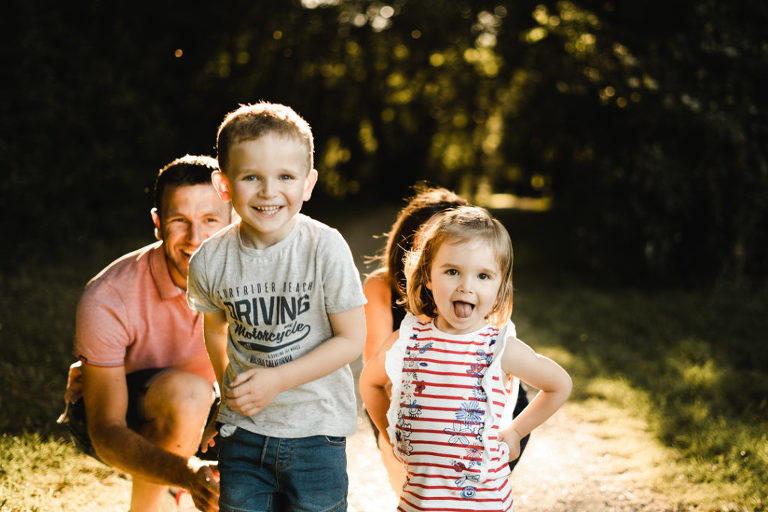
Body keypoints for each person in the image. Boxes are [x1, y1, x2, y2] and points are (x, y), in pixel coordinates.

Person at [186, 102, 366, 512]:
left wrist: (277, 380)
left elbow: (352, 339)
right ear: (224, 185)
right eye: (251, 177)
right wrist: (227, 398)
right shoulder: (211, 260)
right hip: (244, 435)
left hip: (316, 434)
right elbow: (214, 329)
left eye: (285, 176)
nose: (269, 192)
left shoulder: (324, 248)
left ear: (308, 183)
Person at [360, 206, 572, 511]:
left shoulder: (500, 348)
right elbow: (370, 382)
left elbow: (559, 385)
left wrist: (515, 432)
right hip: (417, 502)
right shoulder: (408, 340)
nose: (466, 285)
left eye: (483, 275)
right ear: (428, 276)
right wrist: (390, 433)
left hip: (483, 504)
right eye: (452, 271)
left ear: (500, 289)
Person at [64, 154, 233, 512]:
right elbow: (106, 429)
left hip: (210, 405)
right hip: (115, 415)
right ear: (158, 224)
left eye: (210, 220)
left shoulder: (256, 281)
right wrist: (188, 472)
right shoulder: (109, 296)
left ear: (233, 221)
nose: (196, 238)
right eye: (179, 221)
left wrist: (228, 414)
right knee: (188, 396)